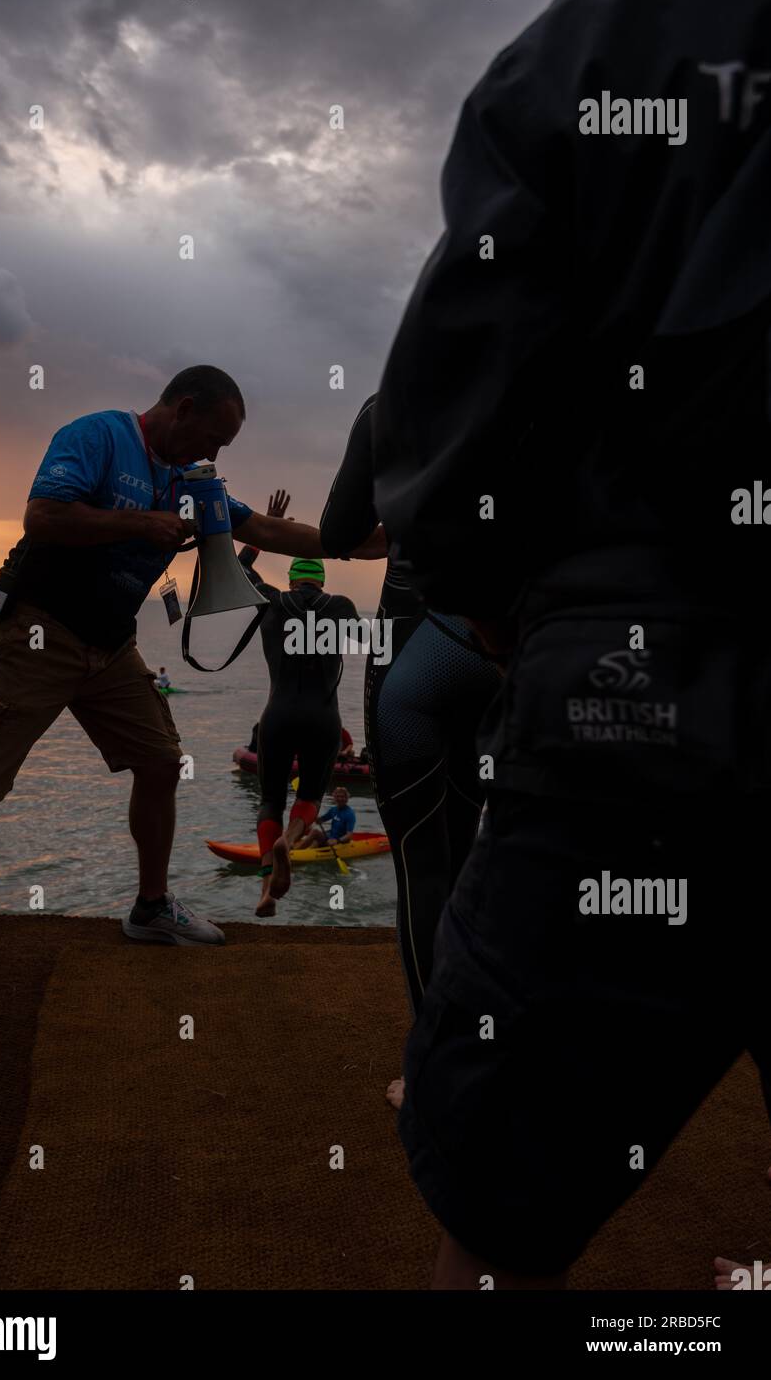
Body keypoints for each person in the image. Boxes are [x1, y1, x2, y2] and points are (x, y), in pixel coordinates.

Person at [372, 0, 771, 1289]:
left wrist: (492, 594)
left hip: (635, 689)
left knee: (498, 1209)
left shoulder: (607, 33)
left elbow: (464, 369)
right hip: (622, 665)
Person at [0, 368, 382, 1019]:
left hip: (111, 644)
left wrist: (382, 543)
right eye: (212, 438)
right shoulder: (99, 436)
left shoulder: (196, 483)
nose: (214, 457)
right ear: (182, 409)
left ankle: (152, 908)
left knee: (160, 763)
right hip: (34, 630)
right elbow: (42, 516)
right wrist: (140, 527)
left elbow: (271, 533)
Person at [320, 395, 501, 1108]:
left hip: (417, 645)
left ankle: (436, 1074)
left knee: (424, 867)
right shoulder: (555, 377)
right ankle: (496, 1047)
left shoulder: (393, 398)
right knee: (475, 859)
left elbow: (340, 532)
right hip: (502, 647)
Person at [238, 520, 360, 917]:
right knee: (308, 796)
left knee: (270, 801)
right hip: (323, 720)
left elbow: (238, 568)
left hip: (278, 717)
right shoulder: (340, 607)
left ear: (291, 580)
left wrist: (263, 534)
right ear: (321, 581)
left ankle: (266, 893)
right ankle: (289, 841)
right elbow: (371, 643)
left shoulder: (272, 602)